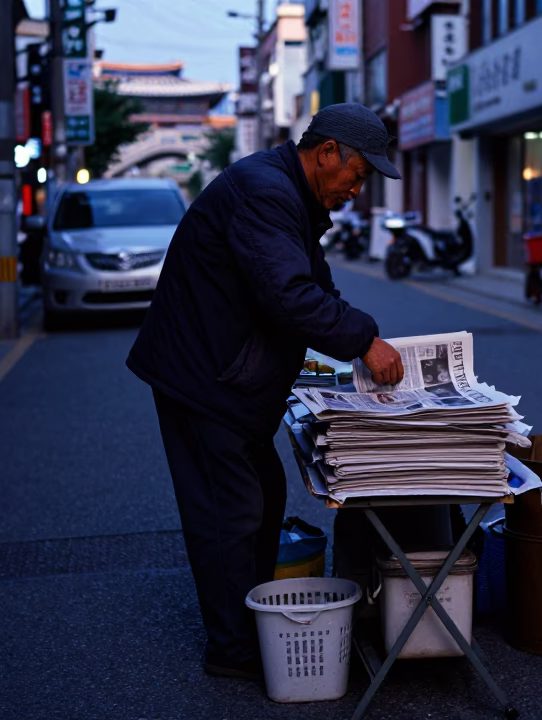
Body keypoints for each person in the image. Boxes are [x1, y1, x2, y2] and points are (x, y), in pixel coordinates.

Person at [126, 103, 405, 680]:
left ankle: (249, 625)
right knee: (232, 510)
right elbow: (289, 296)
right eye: (358, 174)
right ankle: (233, 651)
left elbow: (314, 286)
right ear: (327, 153)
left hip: (230, 375)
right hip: (205, 379)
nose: (358, 189)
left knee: (262, 493)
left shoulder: (289, 194)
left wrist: (352, 337)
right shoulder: (265, 193)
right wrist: (365, 340)